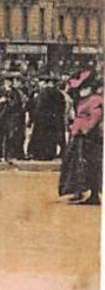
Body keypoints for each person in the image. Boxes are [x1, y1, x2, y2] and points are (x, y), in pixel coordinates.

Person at [59, 67, 102, 205]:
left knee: (88, 164)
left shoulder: (95, 99)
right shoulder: (86, 99)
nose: (81, 91)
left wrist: (84, 130)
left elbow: (96, 117)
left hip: (88, 136)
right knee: (77, 165)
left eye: (84, 88)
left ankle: (92, 195)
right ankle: (79, 191)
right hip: (79, 134)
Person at [27, 77, 69, 161]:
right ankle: (49, 154)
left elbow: (36, 106)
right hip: (53, 119)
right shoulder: (58, 93)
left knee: (41, 137)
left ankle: (39, 154)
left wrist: (32, 118)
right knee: (50, 138)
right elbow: (62, 107)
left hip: (42, 119)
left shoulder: (43, 93)